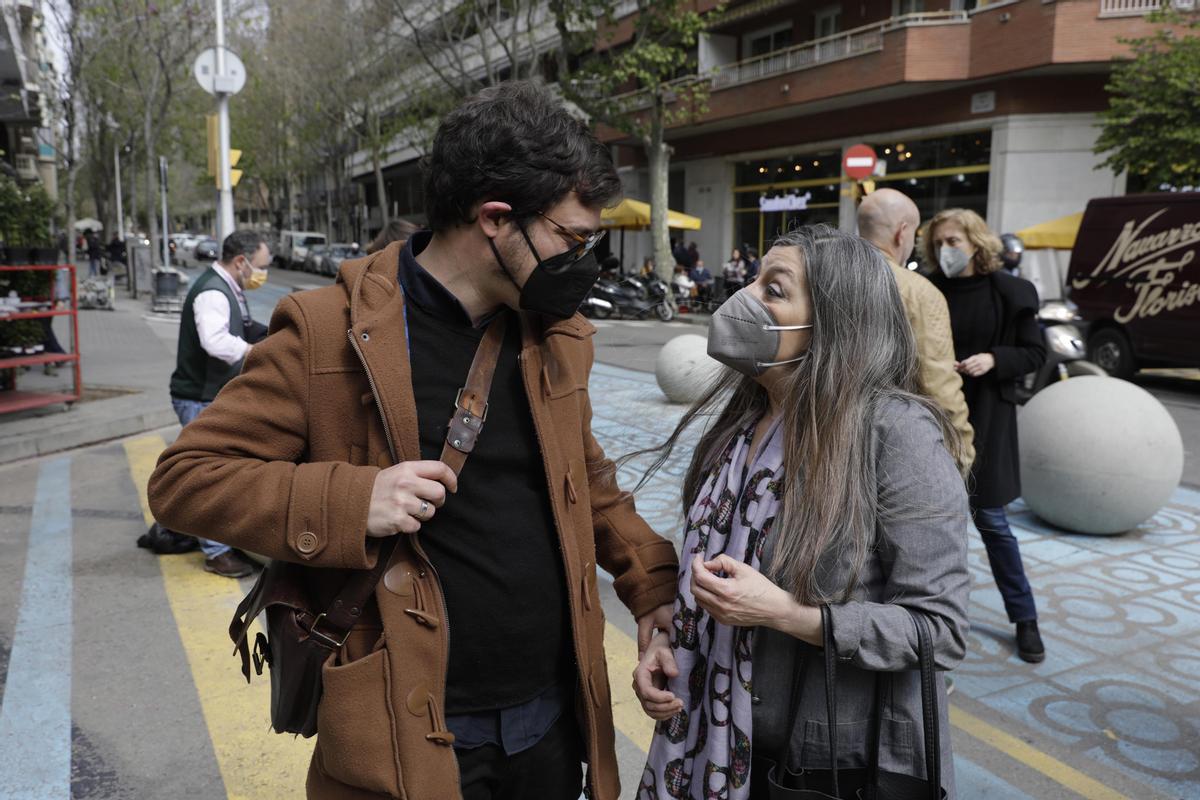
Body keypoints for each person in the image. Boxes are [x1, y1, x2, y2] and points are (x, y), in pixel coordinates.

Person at [148, 81, 678, 800]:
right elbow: (186, 480)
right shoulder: (326, 331)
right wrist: (353, 500)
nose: (585, 261)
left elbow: (585, 479)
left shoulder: (556, 336)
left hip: (550, 717)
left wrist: (652, 591)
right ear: (496, 219)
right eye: (572, 238)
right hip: (404, 724)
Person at [631, 225, 970, 799]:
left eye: (774, 289)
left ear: (834, 322)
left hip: (818, 768)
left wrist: (789, 614)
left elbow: (938, 629)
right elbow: (709, 580)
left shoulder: (895, 433)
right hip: (702, 738)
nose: (746, 300)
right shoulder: (741, 424)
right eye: (756, 281)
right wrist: (671, 648)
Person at [926, 208, 1046, 663]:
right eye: (938, 243)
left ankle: (1025, 619)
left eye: (953, 241)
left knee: (993, 523)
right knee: (930, 526)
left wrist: (994, 359)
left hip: (988, 421)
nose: (945, 250)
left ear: (977, 242)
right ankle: (930, 620)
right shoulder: (930, 290)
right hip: (935, 419)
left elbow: (1035, 352)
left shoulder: (1011, 292)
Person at [158, 229, 272, 578]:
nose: (262, 274)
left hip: (209, 395)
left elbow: (247, 327)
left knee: (217, 472)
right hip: (198, 397)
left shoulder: (230, 288)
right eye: (260, 266)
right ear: (241, 262)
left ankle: (200, 533)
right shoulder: (212, 293)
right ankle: (216, 552)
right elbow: (217, 341)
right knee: (208, 477)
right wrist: (258, 352)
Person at [857, 188, 975, 473]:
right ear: (902, 232)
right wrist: (961, 450)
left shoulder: (822, 278)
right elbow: (938, 383)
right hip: (890, 449)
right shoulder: (918, 292)